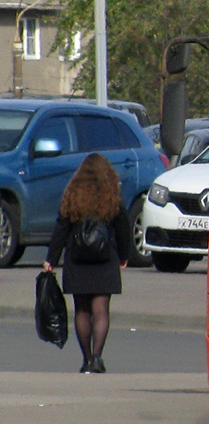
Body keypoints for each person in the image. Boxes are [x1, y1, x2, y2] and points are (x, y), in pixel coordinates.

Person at [42, 153, 132, 374]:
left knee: (82, 310)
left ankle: (86, 359)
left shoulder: (73, 196)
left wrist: (51, 259)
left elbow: (61, 228)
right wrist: (123, 255)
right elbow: (123, 229)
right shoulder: (112, 197)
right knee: (101, 310)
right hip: (104, 260)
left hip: (77, 260)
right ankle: (98, 358)